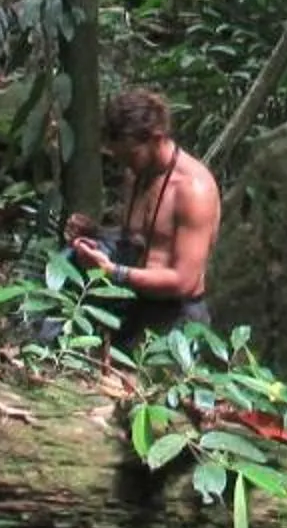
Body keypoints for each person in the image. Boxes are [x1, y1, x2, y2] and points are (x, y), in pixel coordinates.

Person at [65, 86, 220, 352]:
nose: (126, 165)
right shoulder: (137, 173)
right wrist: (96, 232)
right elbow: (141, 238)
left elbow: (185, 281)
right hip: (135, 304)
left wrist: (113, 272)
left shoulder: (192, 190)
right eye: (120, 157)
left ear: (156, 138)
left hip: (176, 317)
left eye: (131, 155)